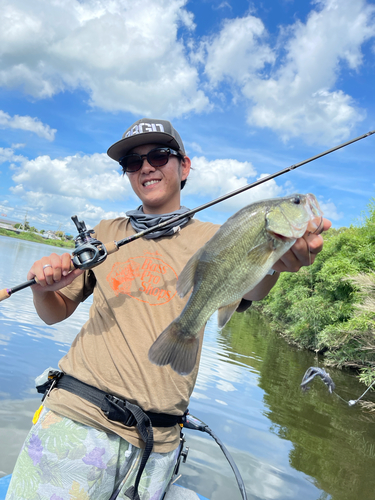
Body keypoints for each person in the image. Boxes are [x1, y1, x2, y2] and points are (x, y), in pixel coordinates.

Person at [6, 118, 331, 500]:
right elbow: (54, 312)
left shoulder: (216, 235)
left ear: (185, 166)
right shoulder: (105, 233)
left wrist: (278, 259)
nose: (146, 167)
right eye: (132, 162)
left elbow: (255, 287)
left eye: (159, 155)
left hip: (158, 443)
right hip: (78, 417)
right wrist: (44, 290)